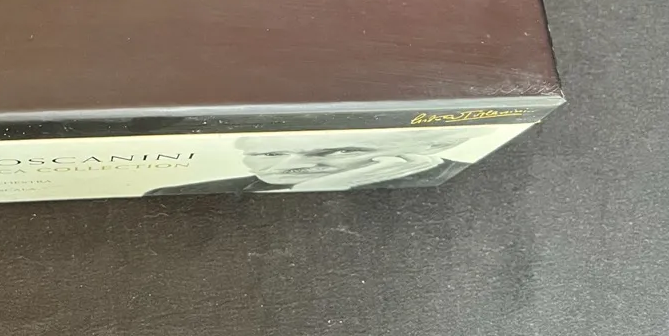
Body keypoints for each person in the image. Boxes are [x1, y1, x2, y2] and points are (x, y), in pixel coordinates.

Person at [147, 126, 496, 195]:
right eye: (270, 153)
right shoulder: (171, 195)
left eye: (341, 152)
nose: (290, 165)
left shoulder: (455, 183)